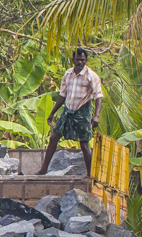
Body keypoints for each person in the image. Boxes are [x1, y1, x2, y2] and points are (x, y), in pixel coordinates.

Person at [39, 47, 103, 175]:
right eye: (78, 60)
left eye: (83, 60)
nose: (80, 62)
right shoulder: (68, 74)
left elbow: (98, 96)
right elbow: (62, 95)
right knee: (54, 137)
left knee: (84, 144)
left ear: (86, 60)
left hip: (82, 111)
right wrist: (52, 113)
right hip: (68, 111)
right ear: (73, 60)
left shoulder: (91, 76)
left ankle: (90, 175)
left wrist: (96, 115)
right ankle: (43, 170)